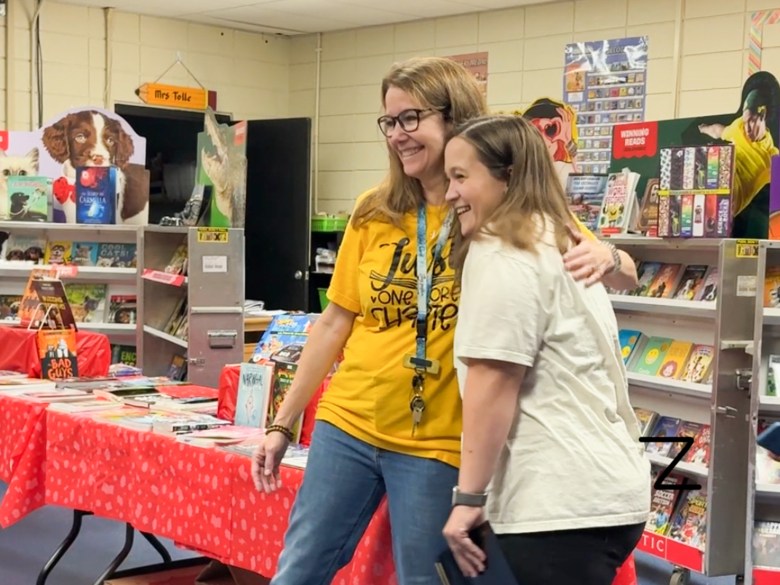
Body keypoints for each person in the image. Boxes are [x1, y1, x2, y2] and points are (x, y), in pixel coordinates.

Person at [251, 57, 639, 585]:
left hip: (439, 442)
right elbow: (335, 322)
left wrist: (612, 256)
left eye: (411, 118)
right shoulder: (374, 209)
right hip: (350, 421)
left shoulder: (500, 215)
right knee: (299, 568)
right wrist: (283, 422)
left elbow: (621, 274)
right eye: (389, 122)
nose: (397, 135)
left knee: (425, 577)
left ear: (454, 116)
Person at [441, 115, 650, 585]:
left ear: (508, 176)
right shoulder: (557, 235)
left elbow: (494, 381)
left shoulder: (502, 251)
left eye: (461, 177)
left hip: (556, 502)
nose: (450, 193)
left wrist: (468, 498)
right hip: (605, 490)